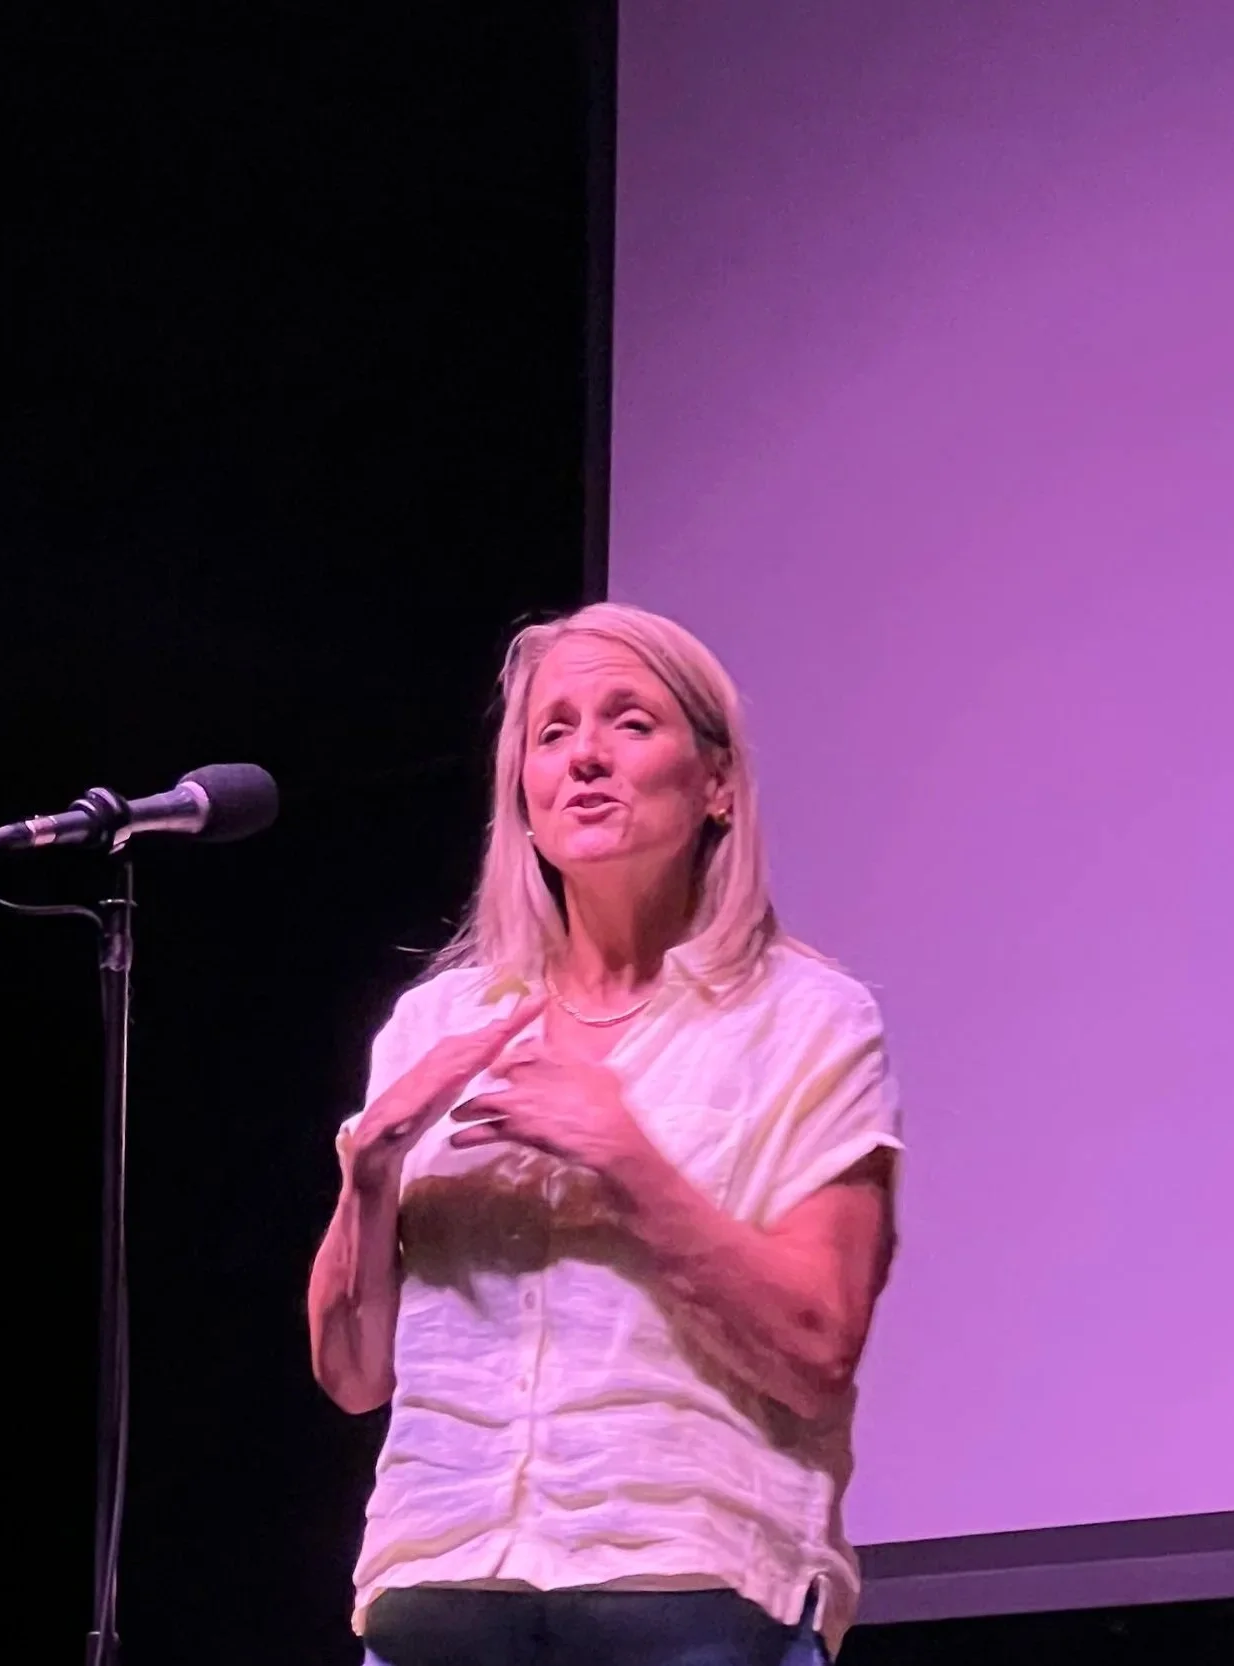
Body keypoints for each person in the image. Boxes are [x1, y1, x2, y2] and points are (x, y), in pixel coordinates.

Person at [308, 603, 903, 1666]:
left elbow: (816, 1351)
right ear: (525, 797)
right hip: (439, 1604)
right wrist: (370, 1176)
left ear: (717, 783)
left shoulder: (806, 1020)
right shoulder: (434, 1025)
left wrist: (627, 1160)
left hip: (689, 1607)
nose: (585, 755)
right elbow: (352, 1374)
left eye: (630, 722)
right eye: (553, 731)